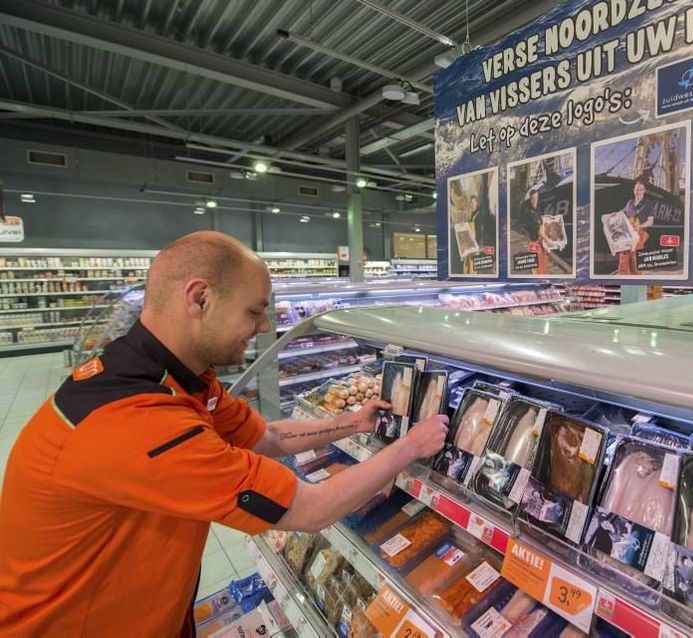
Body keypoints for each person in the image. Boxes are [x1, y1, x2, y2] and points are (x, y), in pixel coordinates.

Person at [0, 231, 448, 636]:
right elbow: (309, 509)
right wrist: (410, 446)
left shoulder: (178, 377)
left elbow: (267, 437)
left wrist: (355, 422)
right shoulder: (137, 420)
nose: (266, 326)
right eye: (254, 310)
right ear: (199, 299)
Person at [618, 178, 654, 275]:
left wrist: (639, 227)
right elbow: (621, 214)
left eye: (641, 189)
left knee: (634, 256)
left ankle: (637, 278)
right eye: (637, 189)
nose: (638, 192)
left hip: (640, 232)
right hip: (628, 232)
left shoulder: (648, 203)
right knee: (623, 254)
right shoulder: (630, 202)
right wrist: (610, 216)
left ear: (644, 191)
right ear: (634, 190)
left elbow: (650, 221)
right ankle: (623, 277)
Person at [513, 188, 547, 274]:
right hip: (533, 242)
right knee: (535, 268)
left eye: (536, 198)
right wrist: (526, 234)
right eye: (533, 198)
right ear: (530, 199)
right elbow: (517, 225)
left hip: (539, 242)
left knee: (541, 266)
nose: (535, 200)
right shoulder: (529, 212)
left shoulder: (535, 209)